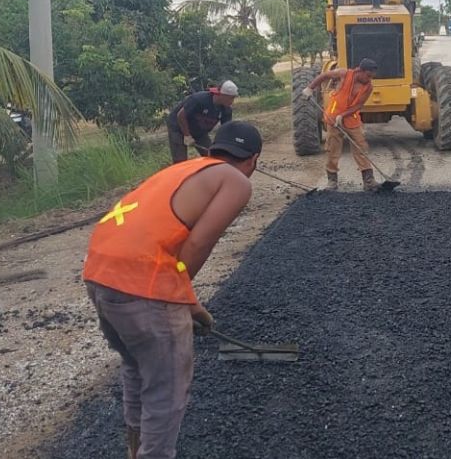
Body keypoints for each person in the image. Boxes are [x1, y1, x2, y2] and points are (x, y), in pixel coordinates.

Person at [83, 121, 261, 459]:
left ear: (212, 151)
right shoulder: (236, 181)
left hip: (99, 273)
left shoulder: (184, 169)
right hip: (141, 282)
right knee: (167, 390)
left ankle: (134, 450)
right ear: (253, 160)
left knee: (137, 365)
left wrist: (190, 306)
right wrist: (178, 299)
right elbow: (197, 244)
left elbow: (163, 247)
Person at [301, 58, 379, 191]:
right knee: (333, 149)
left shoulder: (368, 87)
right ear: (360, 71)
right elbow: (324, 75)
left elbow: (359, 105)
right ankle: (332, 181)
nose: (369, 79)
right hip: (332, 118)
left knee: (361, 148)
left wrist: (342, 116)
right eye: (368, 76)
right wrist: (310, 88)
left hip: (351, 119)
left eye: (372, 77)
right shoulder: (344, 73)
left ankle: (369, 181)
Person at [166, 80, 238, 164]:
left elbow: (226, 131)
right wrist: (187, 135)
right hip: (178, 127)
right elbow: (181, 116)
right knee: (180, 162)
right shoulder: (199, 99)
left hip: (199, 131)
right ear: (222, 95)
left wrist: (225, 149)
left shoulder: (226, 110)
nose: (232, 101)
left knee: (212, 156)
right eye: (231, 98)